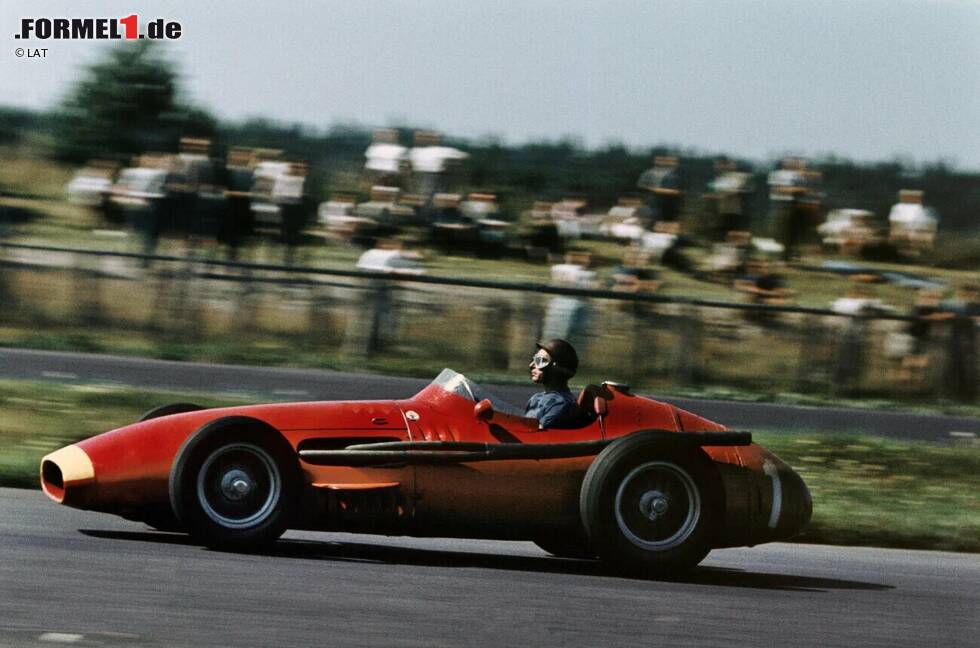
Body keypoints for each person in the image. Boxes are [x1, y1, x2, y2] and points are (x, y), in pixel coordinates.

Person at [524, 338, 580, 429]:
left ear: (557, 368)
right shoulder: (535, 398)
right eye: (534, 359)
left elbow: (536, 435)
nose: (531, 365)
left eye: (540, 360)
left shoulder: (561, 403)